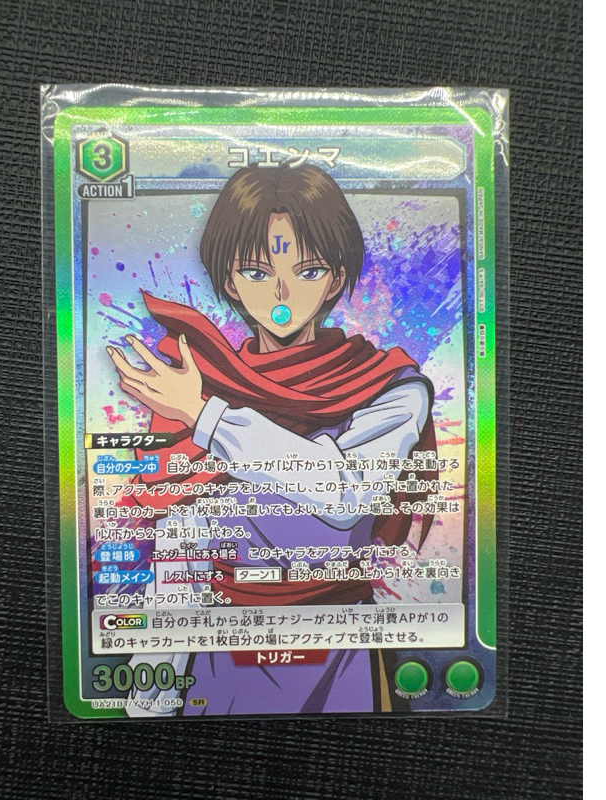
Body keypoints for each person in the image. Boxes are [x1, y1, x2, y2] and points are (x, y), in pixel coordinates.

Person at [107, 162, 437, 715]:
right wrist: (150, 697)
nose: (283, 294)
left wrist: (205, 416)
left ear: (335, 279)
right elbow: (180, 556)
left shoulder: (389, 386)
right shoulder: (202, 383)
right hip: (223, 655)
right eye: (258, 273)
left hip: (342, 649)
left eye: (307, 270)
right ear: (229, 281)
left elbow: (345, 492)